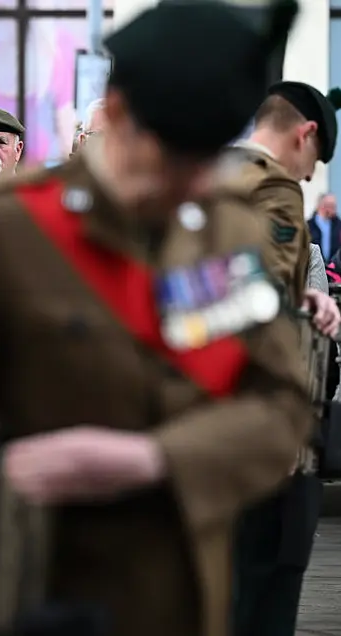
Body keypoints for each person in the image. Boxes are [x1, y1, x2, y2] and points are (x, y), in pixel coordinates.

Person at [0, 3, 330, 636]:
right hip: (32, 592)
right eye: (167, 159)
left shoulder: (222, 232)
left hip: (184, 597)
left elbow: (281, 407)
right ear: (114, 112)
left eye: (202, 164)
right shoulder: (5, 230)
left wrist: (155, 458)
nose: (185, 186)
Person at [221, 81, 341, 636]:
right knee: (268, 595)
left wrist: (301, 295)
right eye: (316, 159)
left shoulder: (215, 177)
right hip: (267, 429)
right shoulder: (275, 187)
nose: (311, 175)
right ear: (305, 133)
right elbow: (257, 302)